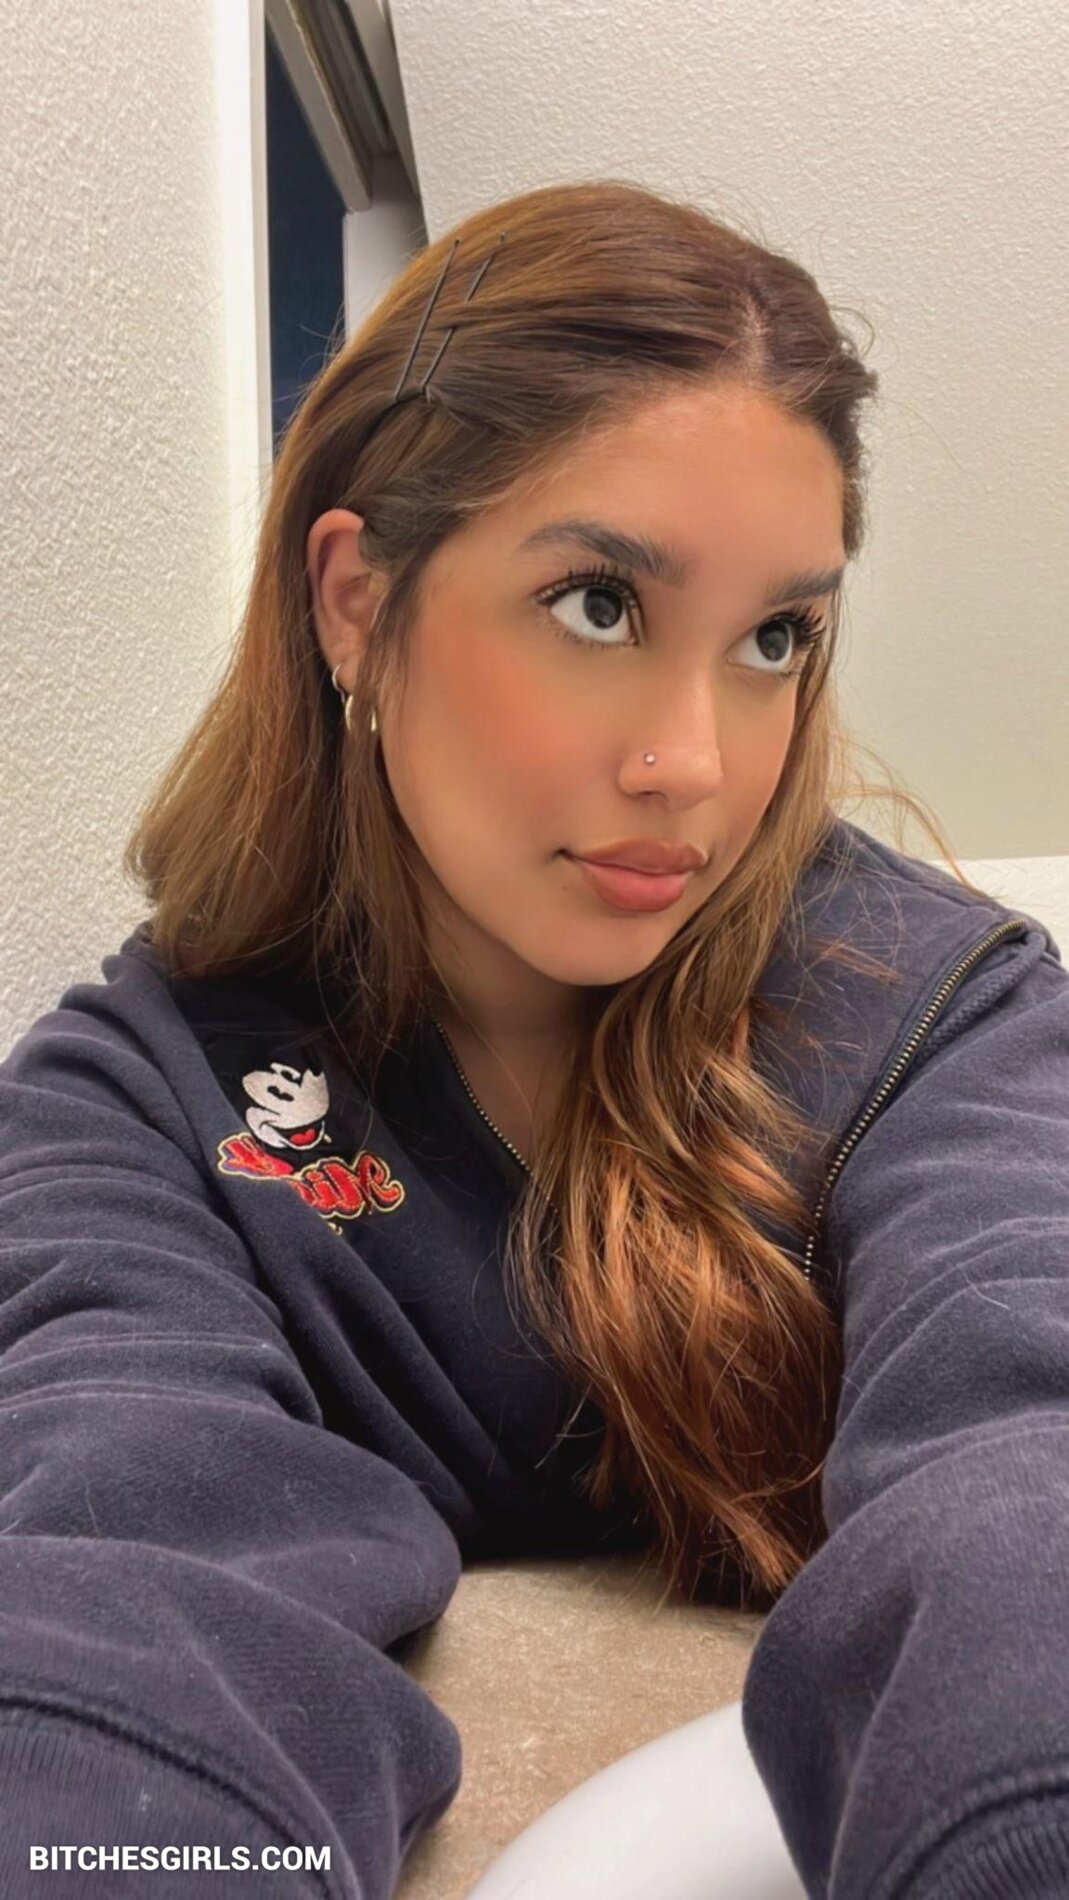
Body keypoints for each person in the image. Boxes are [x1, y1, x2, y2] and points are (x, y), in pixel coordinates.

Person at [0, 176, 1065, 1899]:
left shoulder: (938, 1017)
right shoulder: (143, 1106)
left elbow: (1027, 1426)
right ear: (356, 601)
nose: (693, 764)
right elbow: (128, 1565)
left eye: (774, 638)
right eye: (597, 605)